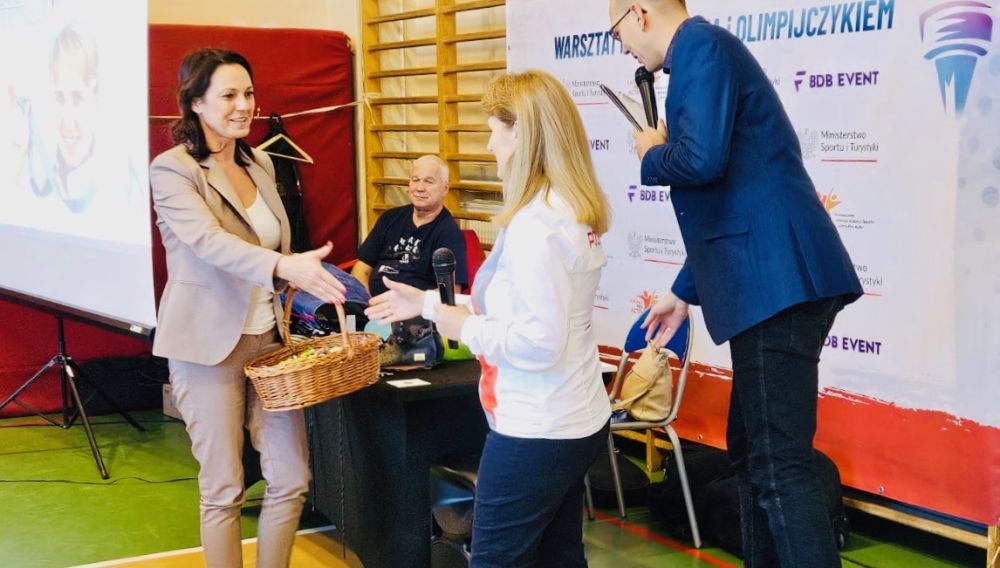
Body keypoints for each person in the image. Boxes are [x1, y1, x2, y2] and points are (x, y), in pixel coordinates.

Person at [610, 2, 863, 566]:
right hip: (771, 283)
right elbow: (731, 195)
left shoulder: (699, 47)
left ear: (639, 13)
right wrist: (683, 291)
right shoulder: (702, 53)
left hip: (777, 287)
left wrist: (652, 153)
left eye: (617, 30)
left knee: (779, 468)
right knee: (753, 459)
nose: (621, 45)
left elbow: (700, 161)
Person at [365, 70, 613, 567]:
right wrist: (428, 304)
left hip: (536, 428)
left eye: (494, 131)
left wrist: (459, 326)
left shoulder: (536, 227)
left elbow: (538, 342)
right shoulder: (566, 209)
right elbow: (526, 309)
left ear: (521, 133)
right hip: (575, 420)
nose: (489, 144)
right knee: (559, 557)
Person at [150, 49, 347, 568]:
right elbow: (207, 241)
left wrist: (297, 269)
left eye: (250, 93)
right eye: (229, 96)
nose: (244, 106)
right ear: (196, 103)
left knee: (292, 479)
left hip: (269, 343)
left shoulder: (259, 161)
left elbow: (274, 241)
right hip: (206, 347)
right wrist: (283, 266)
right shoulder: (172, 169)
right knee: (224, 489)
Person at [351, 154, 468, 296]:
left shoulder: (449, 234)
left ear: (445, 189)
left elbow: (449, 292)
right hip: (369, 302)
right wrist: (365, 301)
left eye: (429, 182)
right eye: (415, 180)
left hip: (411, 308)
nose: (420, 188)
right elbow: (361, 268)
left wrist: (408, 304)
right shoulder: (389, 218)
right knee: (337, 298)